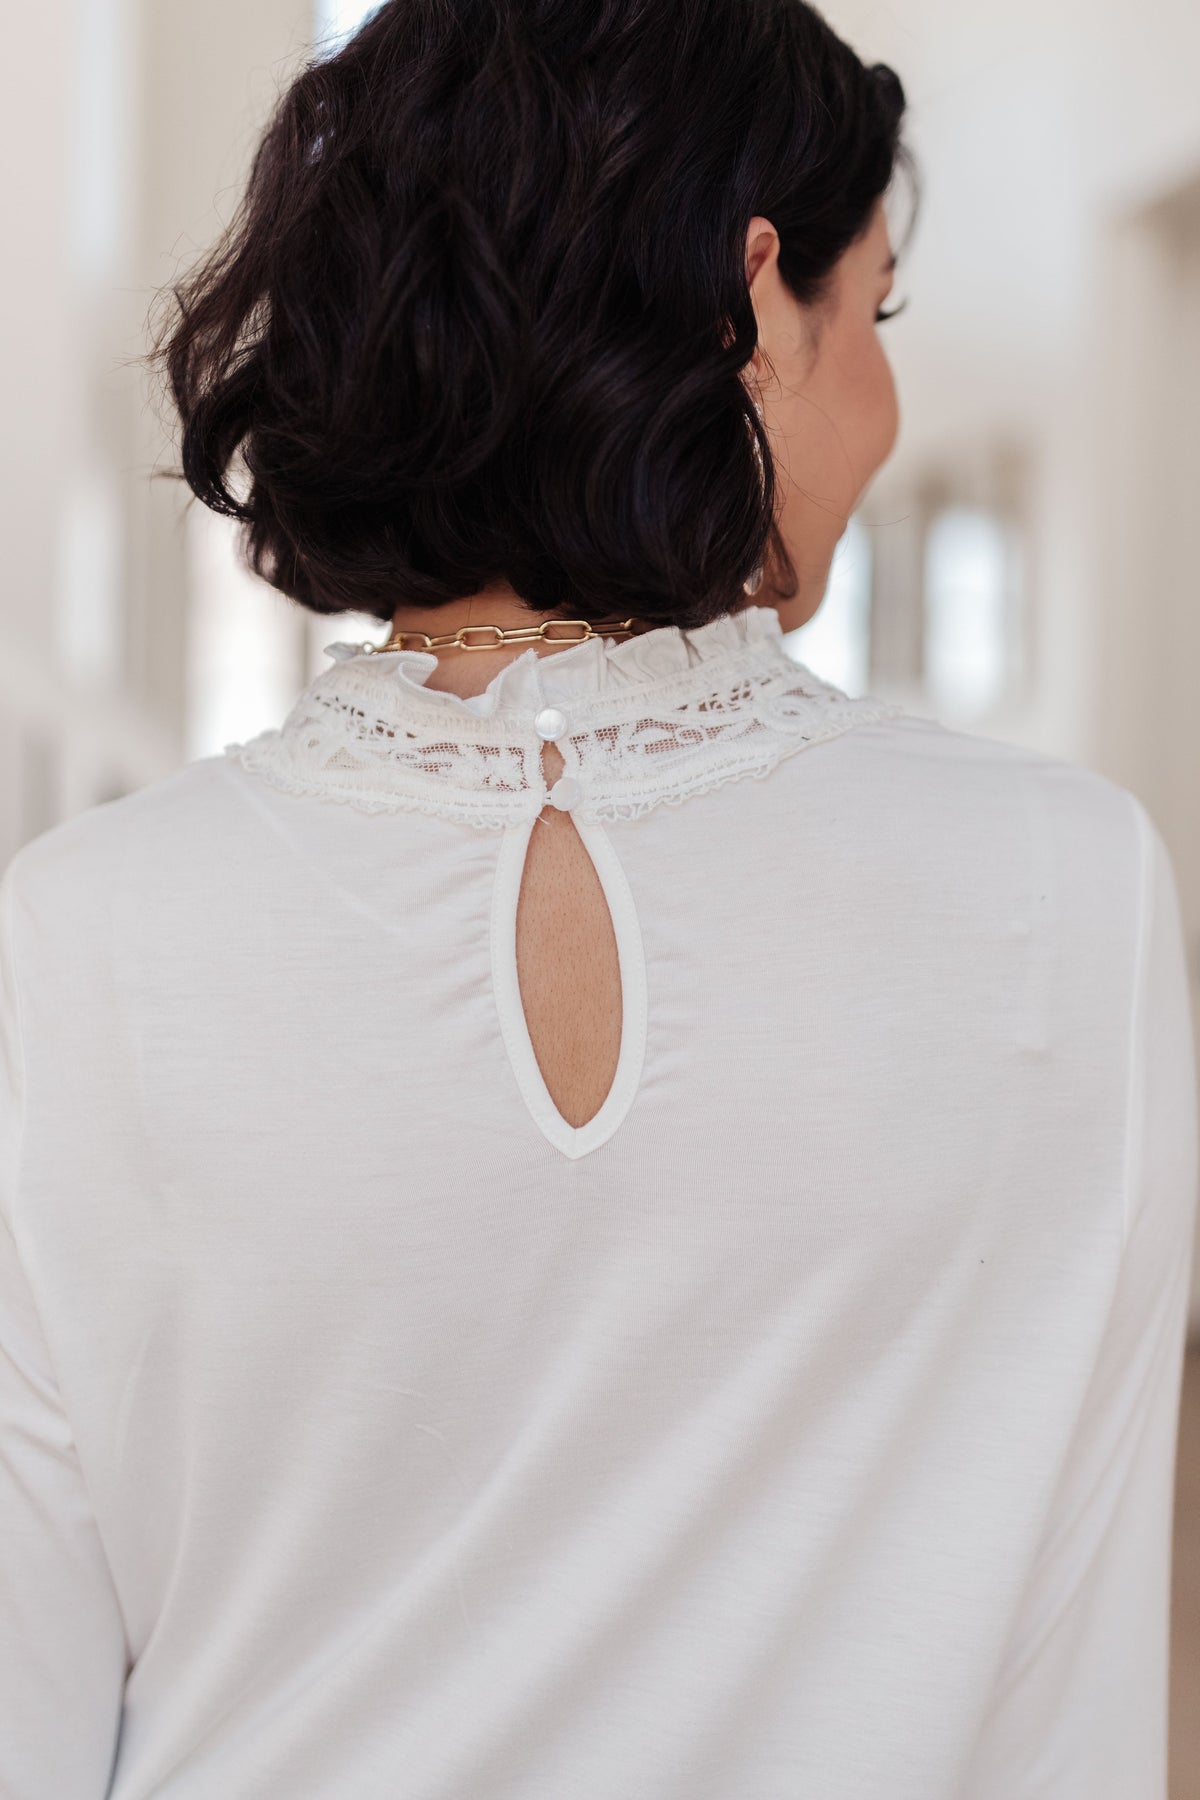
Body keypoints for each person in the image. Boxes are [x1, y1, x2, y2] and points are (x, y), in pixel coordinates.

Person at [0, 0, 1195, 1794]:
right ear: (753, 303)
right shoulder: (1067, 887)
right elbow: (1066, 1714)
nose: (883, 405)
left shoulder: (80, 934)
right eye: (875, 317)